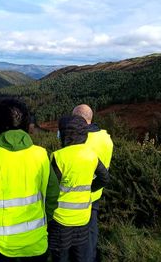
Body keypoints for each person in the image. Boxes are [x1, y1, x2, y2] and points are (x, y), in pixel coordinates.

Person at [0, 99, 59, 262]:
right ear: (26, 123)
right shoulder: (41, 155)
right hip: (36, 243)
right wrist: (45, 218)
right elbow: (52, 196)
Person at [48, 115, 110, 262]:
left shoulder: (58, 157)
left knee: (60, 256)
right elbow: (105, 178)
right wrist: (89, 189)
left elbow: (51, 189)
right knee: (79, 256)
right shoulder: (92, 156)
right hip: (83, 218)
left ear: (64, 134)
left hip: (60, 220)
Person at [72, 104, 113, 262]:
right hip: (95, 193)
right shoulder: (106, 138)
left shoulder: (80, 140)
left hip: (77, 195)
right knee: (91, 230)